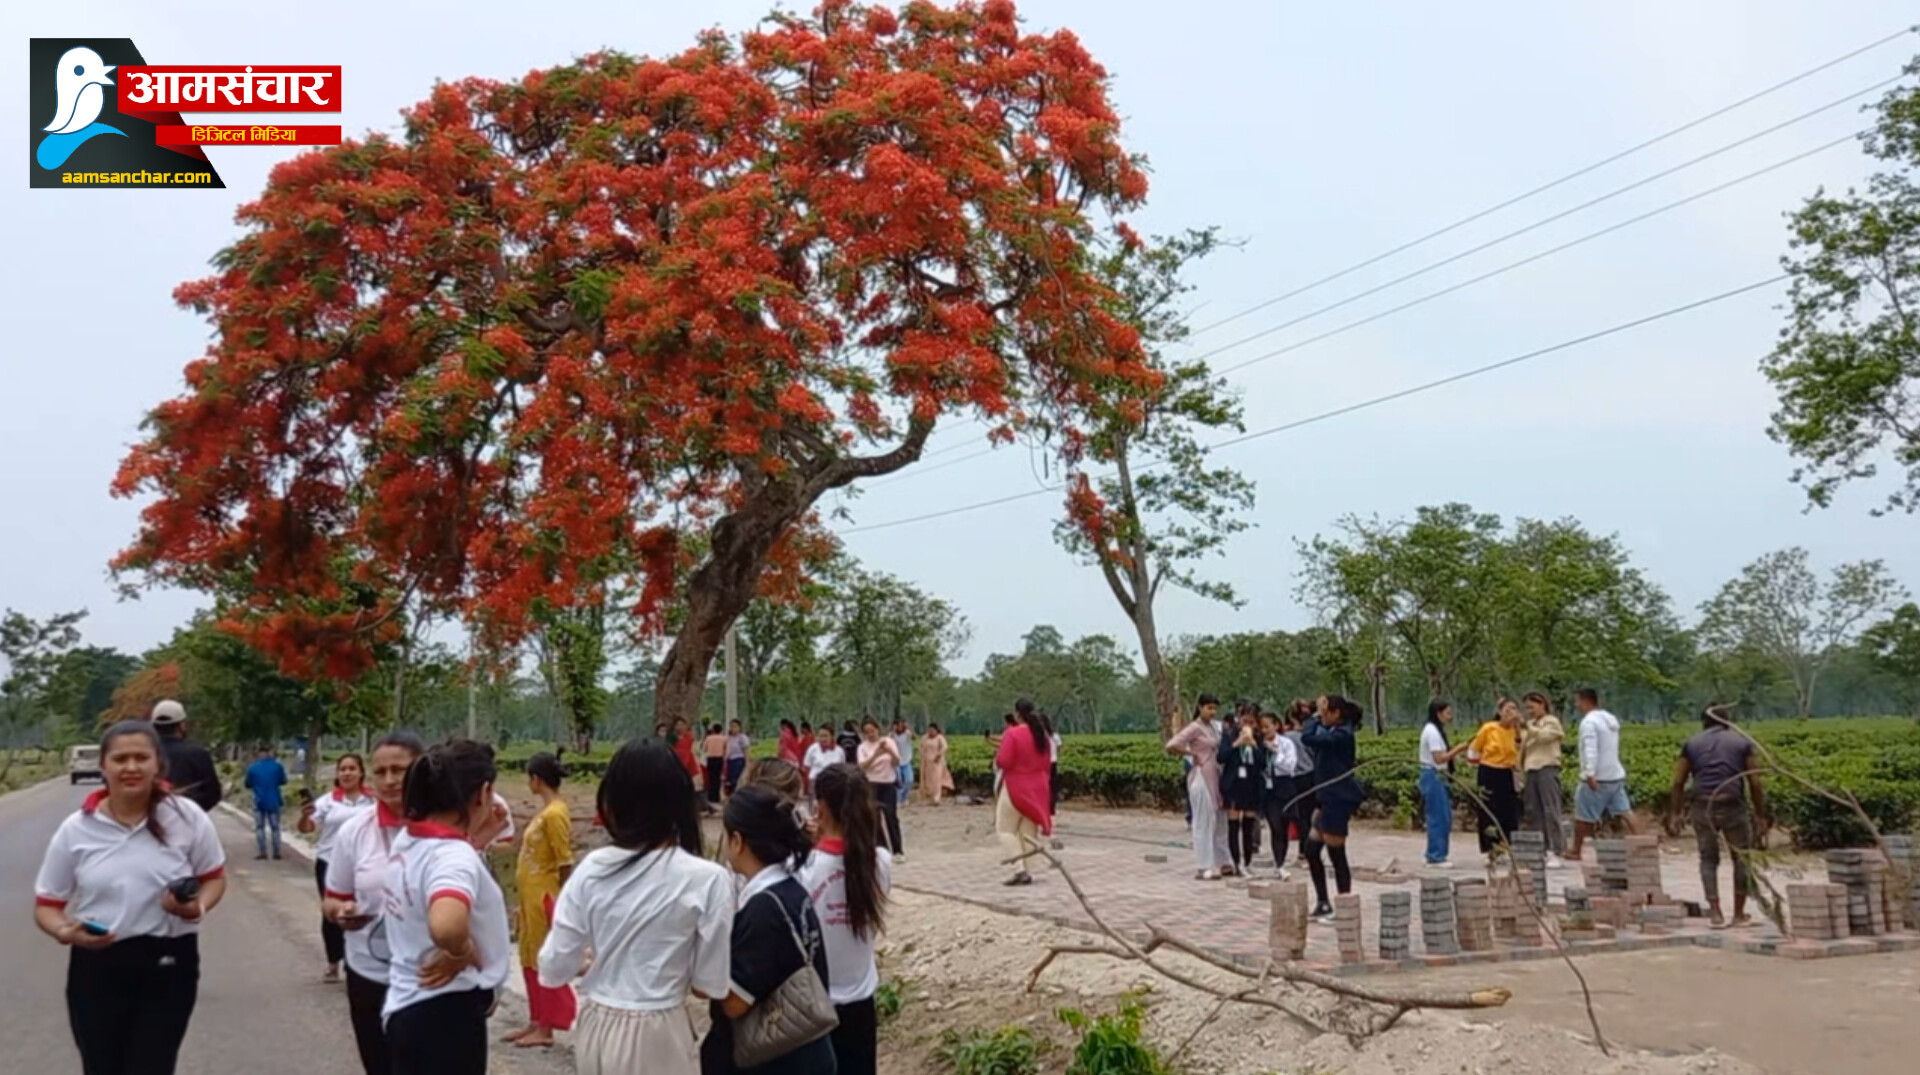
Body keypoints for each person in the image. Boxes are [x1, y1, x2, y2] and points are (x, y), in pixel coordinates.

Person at [34, 721, 227, 1075]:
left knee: (151, 1065)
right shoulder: (77, 828)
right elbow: (47, 906)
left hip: (169, 961)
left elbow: (213, 878)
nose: (131, 767)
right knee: (101, 1066)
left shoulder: (186, 816)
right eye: (120, 759)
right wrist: (66, 932)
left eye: (141, 757)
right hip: (97, 965)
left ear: (158, 764)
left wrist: (195, 907)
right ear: (103, 766)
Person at [538, 739, 730, 1075]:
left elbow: (553, 968)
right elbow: (708, 985)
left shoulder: (592, 868)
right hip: (660, 1030)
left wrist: (595, 959)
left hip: (597, 1024)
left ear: (611, 802)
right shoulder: (708, 879)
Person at [381, 739, 514, 1075]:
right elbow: (446, 925)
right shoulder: (452, 856)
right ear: (484, 793)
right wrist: (461, 951)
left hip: (409, 1004)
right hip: (445, 1015)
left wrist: (476, 840)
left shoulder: (410, 840)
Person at [702, 786, 837, 1075]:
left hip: (778, 1060)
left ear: (738, 841)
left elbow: (736, 1003)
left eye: (725, 835)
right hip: (806, 1048)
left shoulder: (763, 909)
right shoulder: (791, 891)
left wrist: (701, 971)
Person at [323, 732, 426, 1075]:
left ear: (421, 770)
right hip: (370, 972)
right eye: (381, 772)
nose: (390, 780)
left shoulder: (448, 826)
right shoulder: (355, 831)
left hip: (430, 977)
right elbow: (333, 898)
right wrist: (341, 912)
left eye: (399, 770)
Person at [799, 764, 892, 1075]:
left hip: (815, 1006)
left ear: (821, 809)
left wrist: (809, 843)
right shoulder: (880, 862)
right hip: (862, 1004)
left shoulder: (805, 867)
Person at [1667, 704, 1768, 929]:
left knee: (1708, 859)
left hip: (1702, 806)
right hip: (1733, 804)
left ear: (1704, 721)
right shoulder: (1741, 743)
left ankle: (1715, 913)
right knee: (1741, 858)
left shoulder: (1692, 744)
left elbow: (1678, 782)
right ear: (1728, 721)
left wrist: (1676, 813)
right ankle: (1738, 914)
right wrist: (1760, 815)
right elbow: (1755, 782)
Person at [507, 753, 577, 1048]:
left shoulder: (555, 814)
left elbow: (564, 859)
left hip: (543, 894)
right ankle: (536, 1019)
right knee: (528, 955)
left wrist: (564, 899)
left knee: (541, 958)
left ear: (536, 779)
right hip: (530, 894)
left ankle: (547, 1025)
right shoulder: (546, 812)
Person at [299, 751, 373, 982]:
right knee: (332, 912)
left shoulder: (373, 801)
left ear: (361, 772)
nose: (347, 773)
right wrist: (305, 816)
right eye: (343, 769)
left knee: (360, 911)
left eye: (352, 769)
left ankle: (356, 962)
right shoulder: (327, 801)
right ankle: (333, 962)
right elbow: (307, 828)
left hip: (363, 863)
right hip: (329, 862)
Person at [1301, 696, 1363, 919]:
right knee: (1311, 850)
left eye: (1325, 712)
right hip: (1325, 799)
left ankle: (1344, 905)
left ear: (1336, 713)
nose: (1321, 716)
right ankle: (1323, 903)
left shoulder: (1342, 735)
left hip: (1338, 799)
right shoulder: (1333, 730)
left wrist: (1313, 717)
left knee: (1336, 854)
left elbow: (1307, 738)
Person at [1570, 687, 1637, 860]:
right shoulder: (1610, 720)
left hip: (1598, 777)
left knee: (1583, 815)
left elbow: (1590, 749)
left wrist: (1589, 773)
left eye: (1577, 701)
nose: (1576, 705)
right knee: (1625, 811)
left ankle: (1576, 850)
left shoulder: (1589, 723)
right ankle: (1643, 842)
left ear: (1585, 701)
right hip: (1614, 775)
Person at [1165, 694, 1226, 880]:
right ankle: (1204, 865)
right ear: (1200, 707)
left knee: (1218, 821)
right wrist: (1191, 753)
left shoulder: (1214, 727)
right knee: (1203, 821)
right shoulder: (1194, 727)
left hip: (1216, 775)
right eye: (1209, 708)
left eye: (1214, 708)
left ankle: (1221, 861)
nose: (1212, 712)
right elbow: (1172, 745)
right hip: (1201, 776)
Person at [994, 699, 1054, 886]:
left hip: (1016, 785)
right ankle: (1027, 869)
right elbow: (1048, 764)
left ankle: (1019, 870)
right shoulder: (1042, 736)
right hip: (1038, 787)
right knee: (1027, 832)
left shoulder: (1013, 733)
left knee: (1005, 829)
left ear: (1017, 714)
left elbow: (1003, 761)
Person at [1466, 699, 1524, 861]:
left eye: (1514, 709)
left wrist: (1518, 726)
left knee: (1508, 811)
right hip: (1489, 771)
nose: (1510, 713)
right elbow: (1474, 750)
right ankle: (1490, 848)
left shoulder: (1516, 731)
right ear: (1500, 712)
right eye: (1507, 709)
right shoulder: (1489, 728)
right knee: (1489, 810)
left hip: (1507, 773)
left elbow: (1520, 748)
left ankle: (1506, 846)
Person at [1217, 706, 1268, 877]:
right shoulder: (1229, 735)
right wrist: (1237, 743)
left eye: (1252, 722)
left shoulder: (1258, 737)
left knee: (1249, 825)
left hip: (1251, 784)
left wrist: (1253, 744)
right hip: (1234, 784)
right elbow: (1221, 757)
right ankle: (1235, 862)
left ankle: (1248, 861)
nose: (1248, 725)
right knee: (1233, 824)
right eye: (1244, 721)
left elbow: (1263, 763)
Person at [1519, 692, 1568, 866]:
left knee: (1550, 809)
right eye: (1527, 708)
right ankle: (1542, 849)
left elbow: (1543, 736)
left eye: (1532, 707)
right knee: (1534, 811)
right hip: (1531, 769)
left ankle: (1556, 849)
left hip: (1547, 768)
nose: (1530, 711)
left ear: (1542, 705)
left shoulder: (1551, 721)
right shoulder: (1530, 725)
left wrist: (1528, 727)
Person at [1419, 701, 1469, 868]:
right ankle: (1435, 856)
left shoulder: (1436, 730)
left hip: (1439, 775)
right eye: (1447, 713)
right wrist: (1458, 749)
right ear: (1438, 713)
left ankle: (1438, 853)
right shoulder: (1432, 732)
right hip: (1433, 775)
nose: (1450, 716)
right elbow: (1439, 758)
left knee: (1443, 816)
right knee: (1438, 817)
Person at [148, 699, 221, 813]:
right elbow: (213, 794)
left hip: (149, 817)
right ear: (181, 725)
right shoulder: (198, 754)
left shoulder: (145, 753)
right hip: (188, 817)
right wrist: (192, 812)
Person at [856, 719, 904, 859]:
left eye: (873, 731)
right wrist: (876, 753)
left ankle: (898, 850)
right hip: (871, 785)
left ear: (878, 730)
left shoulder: (889, 742)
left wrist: (889, 751)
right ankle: (882, 849)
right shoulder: (862, 748)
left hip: (888, 784)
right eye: (867, 732)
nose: (871, 734)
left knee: (891, 817)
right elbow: (862, 766)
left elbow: (897, 762)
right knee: (874, 818)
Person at [1258, 711, 1298, 879]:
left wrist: (1276, 752)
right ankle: (1279, 863)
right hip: (1267, 790)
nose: (1265, 731)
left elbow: (1290, 766)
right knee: (1275, 827)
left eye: (1267, 726)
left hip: (1284, 787)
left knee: (1284, 826)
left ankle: (1280, 863)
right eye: (1262, 727)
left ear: (1276, 725)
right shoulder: (1259, 745)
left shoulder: (1286, 743)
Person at [244, 743, 290, 860]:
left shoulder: (253, 768)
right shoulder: (277, 766)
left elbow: (247, 784)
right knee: (275, 827)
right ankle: (276, 852)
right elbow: (284, 781)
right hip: (274, 799)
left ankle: (262, 852)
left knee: (260, 827)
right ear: (269, 753)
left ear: (259, 754)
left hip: (258, 800)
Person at [803, 725, 846, 799]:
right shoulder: (812, 749)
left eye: (825, 736)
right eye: (820, 736)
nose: (823, 739)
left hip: (833, 784)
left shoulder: (839, 751)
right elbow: (806, 767)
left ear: (832, 736)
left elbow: (842, 768)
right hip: (816, 783)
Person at [920, 723, 954, 805]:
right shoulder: (925, 738)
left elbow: (944, 747)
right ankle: (930, 797)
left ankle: (937, 797)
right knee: (929, 780)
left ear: (936, 730)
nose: (930, 731)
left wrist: (939, 755)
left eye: (932, 730)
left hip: (937, 762)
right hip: (927, 762)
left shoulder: (940, 738)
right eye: (929, 730)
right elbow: (921, 747)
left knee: (937, 780)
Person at [890, 719, 915, 808]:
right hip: (896, 761)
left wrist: (909, 728)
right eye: (898, 725)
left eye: (901, 725)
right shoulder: (892, 735)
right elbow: (888, 740)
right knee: (899, 781)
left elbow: (913, 737)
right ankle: (898, 799)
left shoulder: (907, 733)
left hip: (906, 760)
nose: (900, 727)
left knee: (909, 780)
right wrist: (893, 731)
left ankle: (904, 797)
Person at [725, 721, 751, 798]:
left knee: (737, 779)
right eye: (732, 726)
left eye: (735, 726)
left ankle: (738, 796)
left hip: (738, 760)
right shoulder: (729, 738)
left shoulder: (742, 737)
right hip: (730, 760)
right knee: (730, 780)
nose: (733, 728)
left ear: (739, 727)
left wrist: (747, 763)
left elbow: (746, 750)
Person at [704, 724, 729, 805]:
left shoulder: (708, 738)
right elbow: (726, 748)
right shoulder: (724, 738)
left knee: (711, 778)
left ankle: (710, 797)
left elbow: (704, 749)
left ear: (713, 730)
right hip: (719, 759)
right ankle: (717, 797)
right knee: (718, 778)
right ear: (721, 730)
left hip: (710, 759)